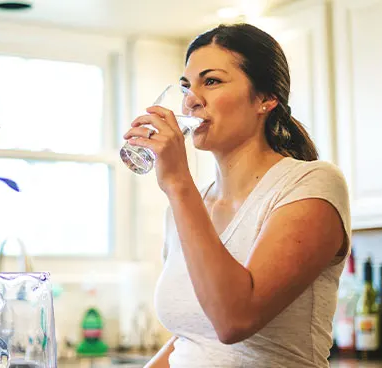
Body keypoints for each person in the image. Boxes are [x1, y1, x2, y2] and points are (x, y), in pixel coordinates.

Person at [123, 23, 351, 367]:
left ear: (265, 98)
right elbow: (193, 341)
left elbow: (234, 321)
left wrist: (178, 184)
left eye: (211, 81)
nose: (190, 98)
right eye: (186, 85)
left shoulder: (311, 184)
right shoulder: (188, 206)